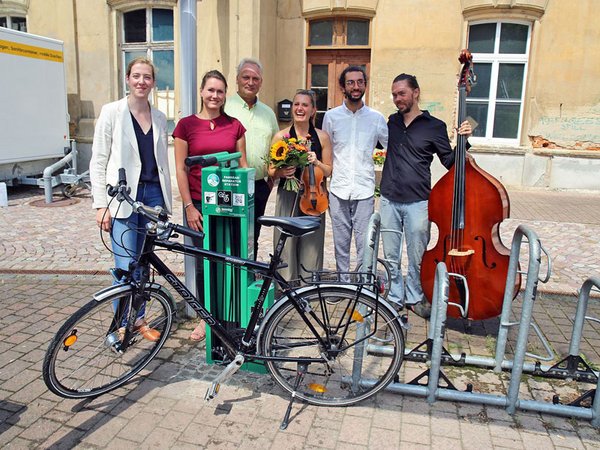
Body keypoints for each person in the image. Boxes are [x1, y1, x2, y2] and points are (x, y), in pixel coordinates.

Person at [90, 57, 173, 341]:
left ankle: (139, 320)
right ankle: (118, 326)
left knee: (144, 263)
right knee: (125, 266)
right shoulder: (112, 112)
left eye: (147, 77)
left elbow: (162, 162)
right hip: (123, 196)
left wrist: (166, 202)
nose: (141, 81)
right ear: (128, 78)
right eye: (136, 76)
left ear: (153, 82)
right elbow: (98, 160)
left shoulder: (160, 117)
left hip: (152, 196)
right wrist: (101, 205)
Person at [380, 73, 472, 318]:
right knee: (390, 255)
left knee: (417, 255)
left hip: (419, 201)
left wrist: (464, 140)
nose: (397, 98)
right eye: (394, 94)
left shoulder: (435, 126)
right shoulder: (391, 122)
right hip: (388, 198)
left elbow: (450, 162)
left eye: (402, 93)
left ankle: (414, 298)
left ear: (416, 93)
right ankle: (394, 297)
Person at [173, 70, 248, 341]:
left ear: (224, 94)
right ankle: (206, 319)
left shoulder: (235, 125)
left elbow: (242, 166)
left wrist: (245, 205)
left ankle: (233, 314)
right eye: (210, 90)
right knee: (204, 264)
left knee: (230, 259)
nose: (215, 95)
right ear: (202, 92)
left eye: (220, 91)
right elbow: (181, 169)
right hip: (199, 206)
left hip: (229, 207)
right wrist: (189, 207)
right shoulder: (186, 126)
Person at [322, 66, 388, 278]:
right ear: (343, 87)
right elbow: (326, 152)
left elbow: (393, 147)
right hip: (338, 188)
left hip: (364, 189)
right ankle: (343, 282)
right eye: (351, 82)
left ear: (365, 85)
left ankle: (362, 284)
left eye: (360, 82)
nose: (356, 86)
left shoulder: (376, 118)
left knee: (364, 242)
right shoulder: (331, 117)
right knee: (340, 241)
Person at [268, 90, 332, 283]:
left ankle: (309, 286)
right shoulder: (281, 136)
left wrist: (317, 162)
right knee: (285, 242)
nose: (300, 108)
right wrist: (281, 173)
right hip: (288, 194)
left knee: (312, 244)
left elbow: (329, 171)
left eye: (305, 105)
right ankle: (287, 287)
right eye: (296, 104)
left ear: (313, 110)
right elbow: (270, 170)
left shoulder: (322, 137)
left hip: (314, 196)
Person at [224, 58, 279, 258]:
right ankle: (230, 282)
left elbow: (275, 146)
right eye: (246, 77)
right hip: (229, 183)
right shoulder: (224, 107)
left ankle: (247, 278)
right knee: (228, 236)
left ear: (261, 82)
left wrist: (271, 178)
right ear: (237, 79)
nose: (250, 82)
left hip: (259, 186)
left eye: (255, 78)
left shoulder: (268, 113)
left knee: (251, 236)